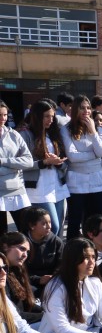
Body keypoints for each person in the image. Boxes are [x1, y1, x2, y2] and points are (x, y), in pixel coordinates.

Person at [20, 100, 69, 236]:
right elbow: (21, 164)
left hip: (57, 185)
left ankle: (56, 256)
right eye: (47, 116)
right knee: (51, 227)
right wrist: (44, 162)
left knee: (58, 229)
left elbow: (65, 161)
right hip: (38, 188)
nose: (51, 120)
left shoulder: (52, 133)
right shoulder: (25, 135)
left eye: (53, 116)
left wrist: (59, 162)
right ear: (37, 116)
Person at [61, 95, 102, 239]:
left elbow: (101, 152)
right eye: (82, 108)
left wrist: (93, 131)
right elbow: (73, 157)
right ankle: (73, 253)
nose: (86, 111)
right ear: (75, 109)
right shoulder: (66, 129)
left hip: (97, 181)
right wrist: (93, 155)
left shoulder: (98, 130)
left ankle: (94, 251)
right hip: (77, 181)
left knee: (96, 220)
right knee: (75, 221)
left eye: (88, 108)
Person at [0, 100, 34, 236]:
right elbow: (21, 163)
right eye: (0, 115)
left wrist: (3, 161)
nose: (2, 119)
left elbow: (28, 161)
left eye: (5, 115)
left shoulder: (14, 134)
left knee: (26, 232)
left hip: (17, 190)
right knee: (2, 235)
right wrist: (15, 167)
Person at [0, 233, 43, 326]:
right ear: (5, 247)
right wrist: (45, 316)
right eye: (22, 249)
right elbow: (15, 316)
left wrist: (46, 311)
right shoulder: (2, 277)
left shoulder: (16, 269)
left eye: (27, 251)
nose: (25, 255)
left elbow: (27, 304)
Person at [23, 207, 63, 300]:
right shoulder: (22, 243)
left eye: (49, 222)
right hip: (30, 282)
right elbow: (19, 270)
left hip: (53, 281)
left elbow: (62, 263)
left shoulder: (56, 242)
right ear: (32, 226)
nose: (49, 226)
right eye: (44, 223)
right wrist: (38, 279)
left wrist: (54, 277)